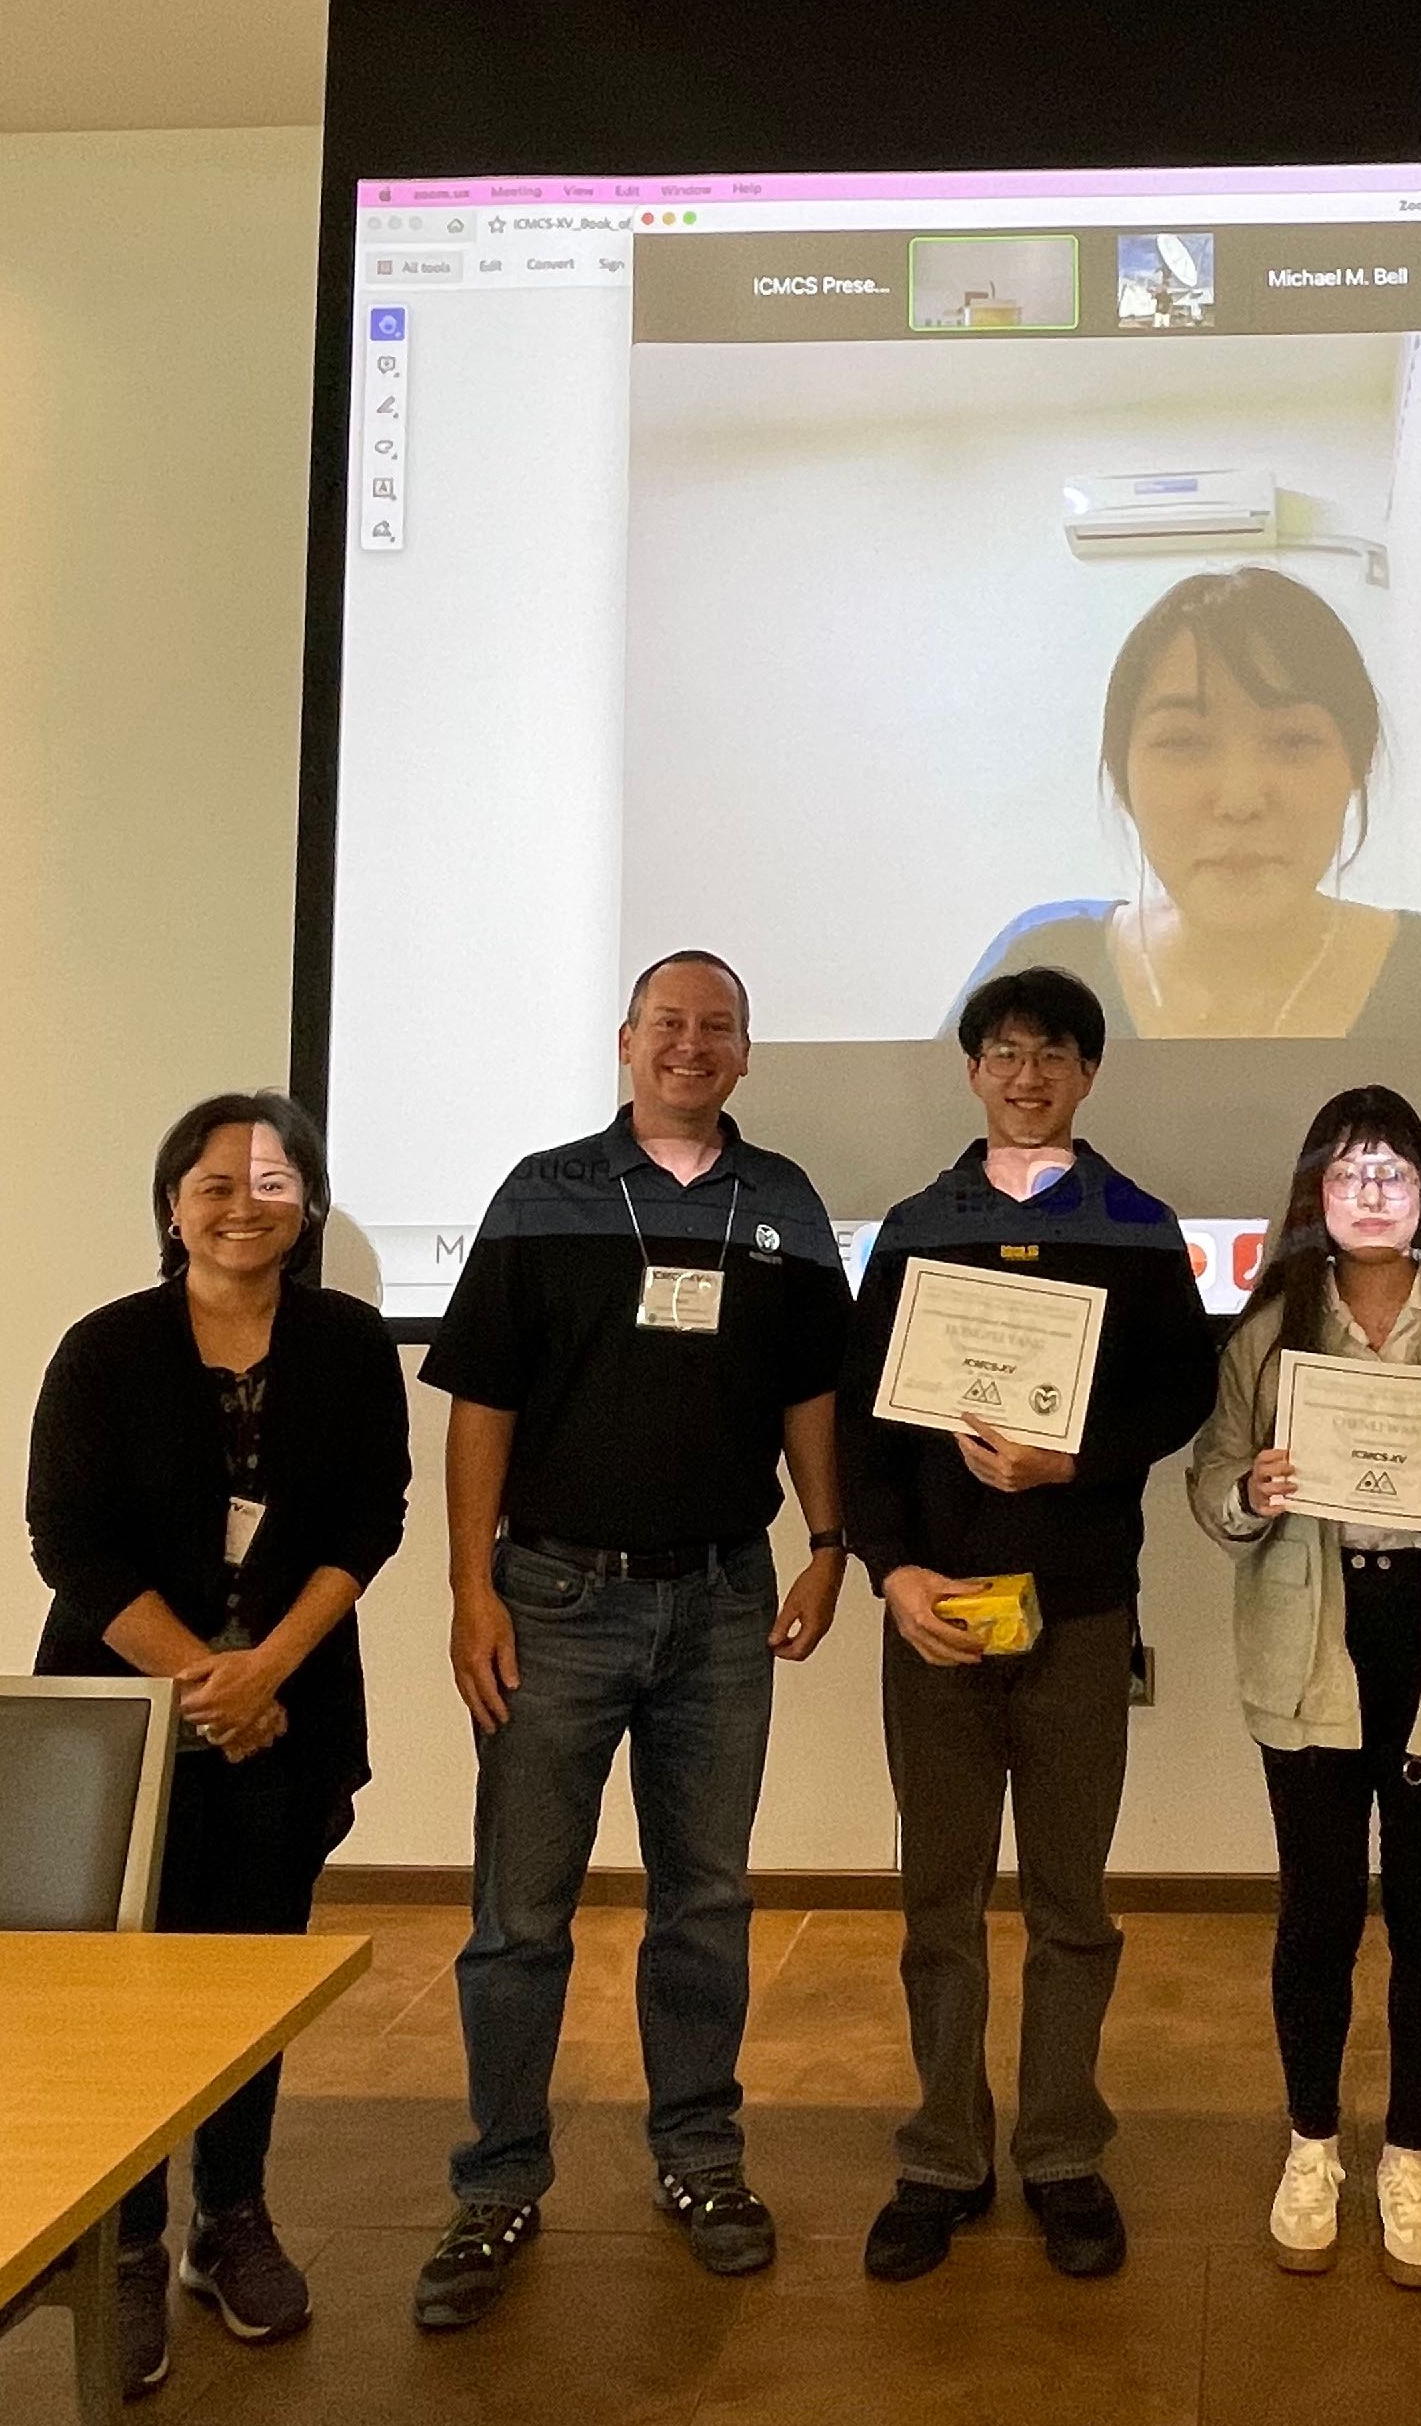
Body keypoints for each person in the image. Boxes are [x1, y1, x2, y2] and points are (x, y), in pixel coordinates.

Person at [409, 952, 853, 2328]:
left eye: (717, 1028)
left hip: (722, 1599)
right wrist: (469, 1590)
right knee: (520, 1914)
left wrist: (829, 1545)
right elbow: (477, 1402)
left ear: (744, 1054)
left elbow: (814, 1393)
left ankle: (700, 2160)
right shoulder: (542, 1192)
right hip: (550, 1602)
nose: (690, 1045)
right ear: (624, 1040)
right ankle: (497, 2183)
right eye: (668, 1023)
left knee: (704, 1901)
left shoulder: (782, 1202)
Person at [839, 966, 1223, 2282]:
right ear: (972, 1070)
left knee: (1071, 1903)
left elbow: (1182, 1396)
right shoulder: (912, 1228)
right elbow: (861, 1427)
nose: (1026, 1075)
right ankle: (942, 2153)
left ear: (1088, 1073)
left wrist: (1079, 1461)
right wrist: (889, 1572)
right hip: (935, 1614)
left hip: (1076, 1611)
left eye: (1052, 1055)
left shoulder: (1136, 1223)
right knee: (937, 1902)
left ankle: (1063, 2149)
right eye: (1003, 1053)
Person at [26, 1090, 411, 2393]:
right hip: (126, 1713)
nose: (245, 1204)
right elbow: (69, 1543)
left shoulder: (351, 1348)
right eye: (216, 1181)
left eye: (273, 1180)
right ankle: (127, 2241)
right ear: (172, 1203)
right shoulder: (107, 1349)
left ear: (305, 1205)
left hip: (289, 1713)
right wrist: (205, 1676)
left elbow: (372, 1518)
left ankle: (229, 2219)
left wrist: (268, 1672)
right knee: (125, 1994)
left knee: (250, 1979)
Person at [1188, 1087, 1421, 2288]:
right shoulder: (1267, 1332)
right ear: (1313, 1193)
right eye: (1348, 1174)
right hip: (1315, 1635)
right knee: (1315, 1909)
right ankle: (1312, 2143)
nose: (1369, 1194)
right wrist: (1253, 1490)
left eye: (1393, 1173)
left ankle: (1408, 2149)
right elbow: (1209, 1484)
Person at [960, 565, 1421, 1039]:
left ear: (1354, 768)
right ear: (1124, 778)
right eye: (1183, 742)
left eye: (1294, 741)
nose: (1240, 798)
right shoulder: (1041, 975)